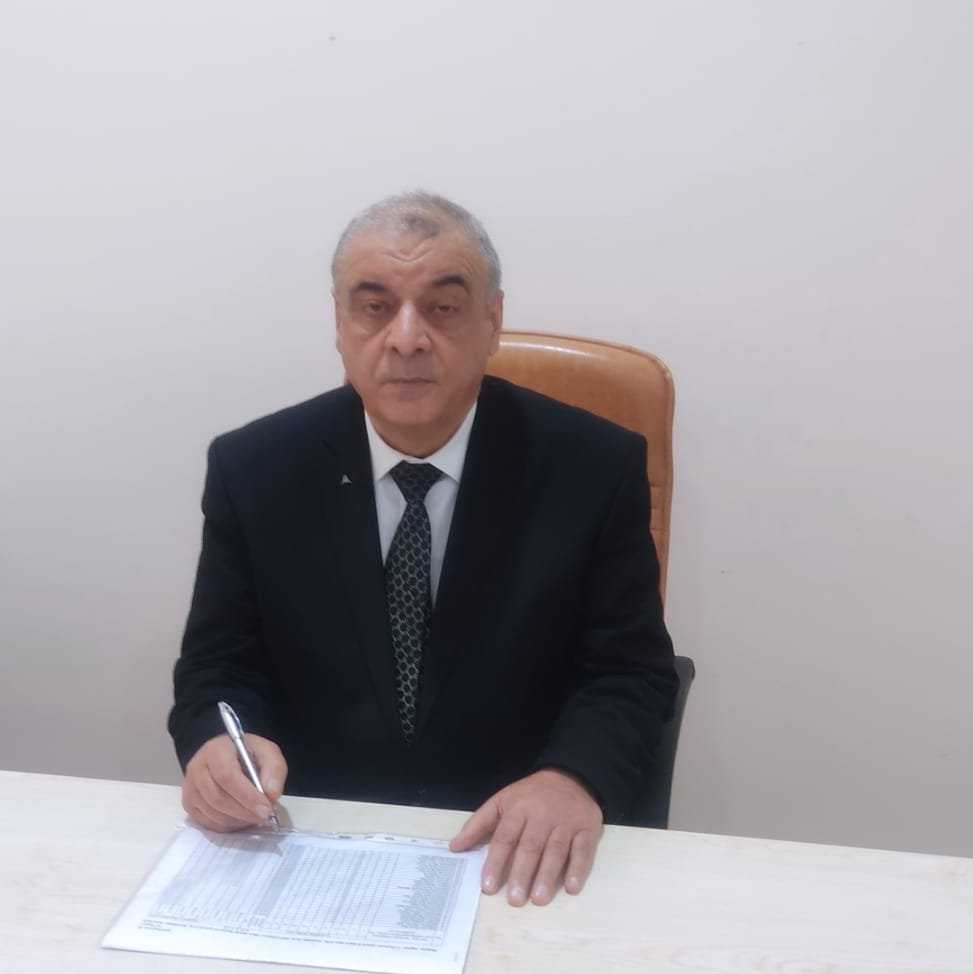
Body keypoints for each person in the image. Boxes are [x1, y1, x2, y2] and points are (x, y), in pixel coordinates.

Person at [169, 192, 678, 907]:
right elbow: (218, 665)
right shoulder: (255, 469)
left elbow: (629, 671)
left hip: (509, 846)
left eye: (442, 307)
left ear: (492, 321)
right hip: (311, 840)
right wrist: (219, 745)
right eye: (374, 307)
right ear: (340, 323)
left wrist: (573, 778)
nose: (406, 338)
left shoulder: (593, 466)